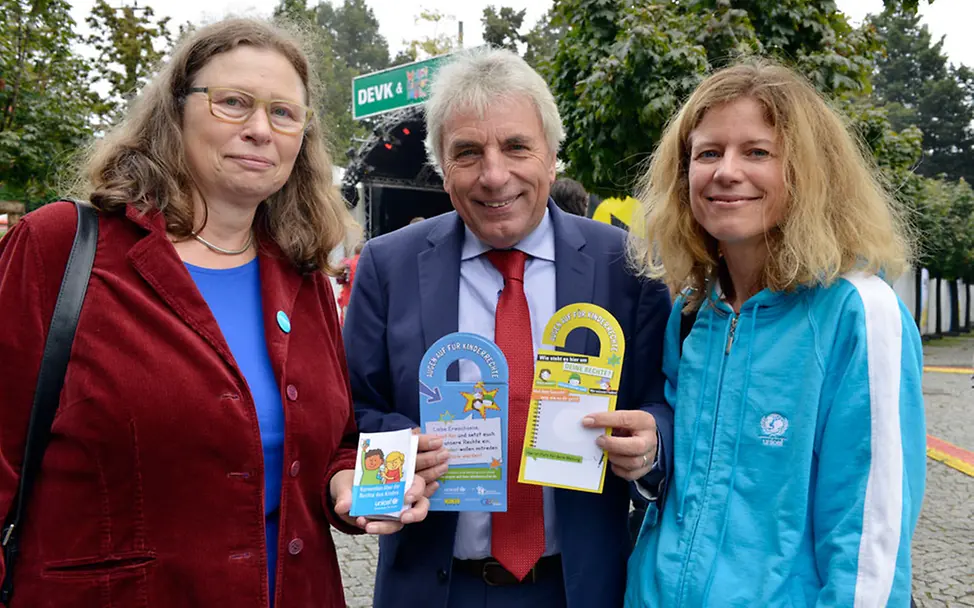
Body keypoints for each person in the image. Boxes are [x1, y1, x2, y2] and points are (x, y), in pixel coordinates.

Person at [0, 18, 428, 608]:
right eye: (233, 102)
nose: (259, 130)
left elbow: (333, 440)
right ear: (175, 112)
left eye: (284, 113)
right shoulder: (60, 248)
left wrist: (347, 482)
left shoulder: (300, 277)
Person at [343, 47, 673, 608]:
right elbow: (352, 409)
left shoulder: (625, 265)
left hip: (579, 588)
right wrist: (402, 451)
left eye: (517, 146)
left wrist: (653, 441)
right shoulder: (387, 266)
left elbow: (664, 399)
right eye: (467, 153)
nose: (495, 176)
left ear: (551, 157)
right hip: (435, 586)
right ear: (443, 170)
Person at [625, 59, 926, 607]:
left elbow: (869, 542)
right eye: (708, 152)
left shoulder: (860, 312)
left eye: (757, 151)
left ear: (808, 172)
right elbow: (684, 480)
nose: (726, 171)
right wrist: (648, 460)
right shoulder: (693, 310)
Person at [337, 241, 364, 325]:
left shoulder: (347, 264)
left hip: (346, 300)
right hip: (361, 302)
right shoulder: (366, 263)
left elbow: (339, 280)